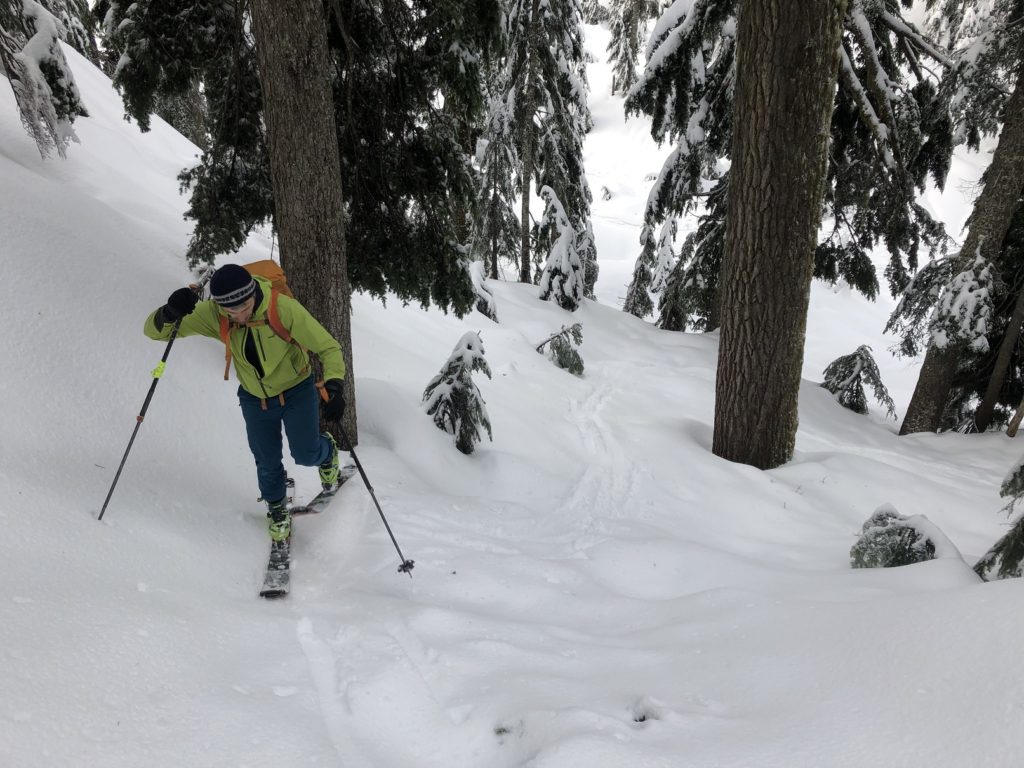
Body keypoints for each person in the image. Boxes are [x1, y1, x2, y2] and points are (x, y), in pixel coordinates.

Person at [144, 264, 346, 542]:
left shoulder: (282, 309)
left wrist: (335, 383)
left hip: (296, 389)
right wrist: (170, 312)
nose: (240, 314)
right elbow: (156, 333)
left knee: (306, 453)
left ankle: (327, 452)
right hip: (255, 398)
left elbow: (328, 346)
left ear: (253, 293)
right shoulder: (216, 315)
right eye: (231, 311)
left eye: (245, 306)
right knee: (266, 460)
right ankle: (276, 509)